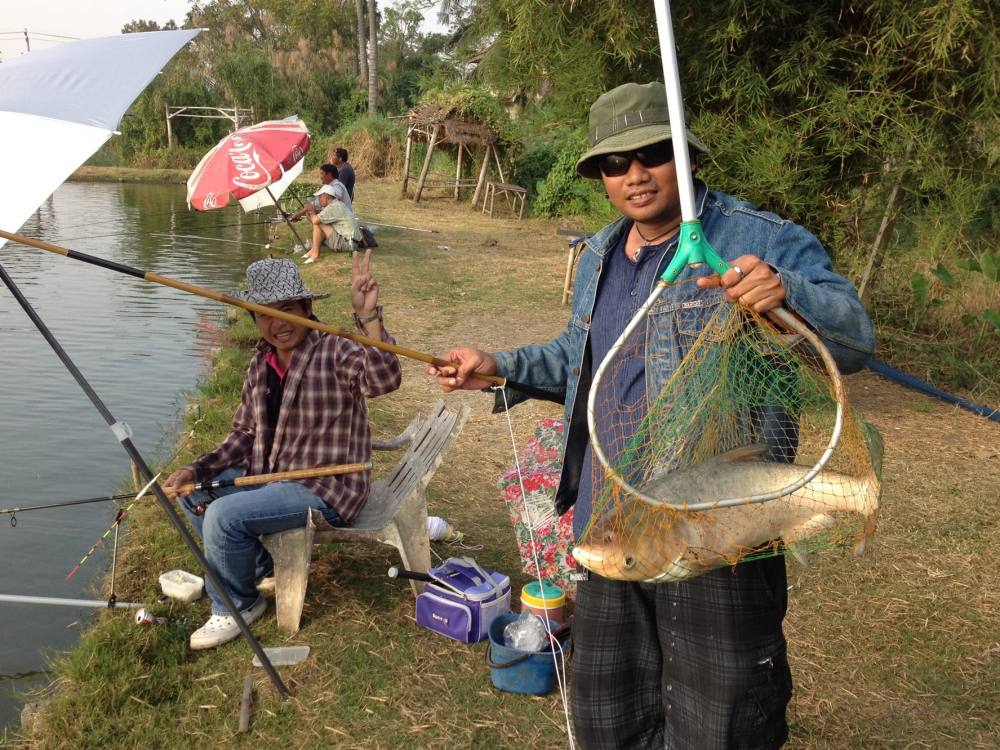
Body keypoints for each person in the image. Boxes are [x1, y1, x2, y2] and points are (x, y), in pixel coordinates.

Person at [426, 81, 874, 749]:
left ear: (687, 155)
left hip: (716, 532)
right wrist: (500, 364)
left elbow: (854, 339)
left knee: (720, 722)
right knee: (611, 712)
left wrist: (790, 297)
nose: (634, 175)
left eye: (654, 153)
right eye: (614, 163)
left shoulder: (758, 238)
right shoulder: (603, 253)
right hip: (615, 520)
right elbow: (584, 358)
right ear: (600, 174)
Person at [164, 255, 401, 650]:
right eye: (264, 313)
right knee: (197, 494)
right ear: (253, 319)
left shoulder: (336, 349)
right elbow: (243, 434)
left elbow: (384, 379)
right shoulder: (261, 364)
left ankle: (236, 604)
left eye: (287, 309)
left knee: (223, 516)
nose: (278, 323)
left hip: (328, 487)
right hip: (274, 480)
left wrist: (369, 317)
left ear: (307, 308)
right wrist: (195, 468)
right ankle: (260, 568)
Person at [303, 184, 363, 264]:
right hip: (352, 243)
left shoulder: (333, 207)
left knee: (318, 223)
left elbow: (315, 221)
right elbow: (315, 222)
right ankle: (313, 251)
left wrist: (312, 211)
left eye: (320, 196)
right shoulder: (337, 204)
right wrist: (309, 214)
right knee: (319, 223)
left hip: (346, 243)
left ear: (326, 197)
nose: (319, 199)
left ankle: (315, 254)